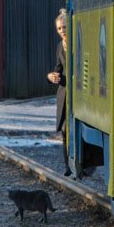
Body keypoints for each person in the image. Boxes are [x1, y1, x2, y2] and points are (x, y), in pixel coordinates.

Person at [46, 9, 71, 175]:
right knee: (64, 131)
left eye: (65, 27)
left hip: (76, 95)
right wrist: (51, 76)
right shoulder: (59, 46)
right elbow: (58, 69)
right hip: (64, 95)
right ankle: (68, 167)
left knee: (70, 129)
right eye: (59, 29)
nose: (62, 31)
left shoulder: (77, 42)